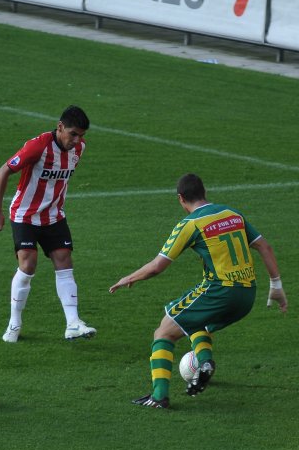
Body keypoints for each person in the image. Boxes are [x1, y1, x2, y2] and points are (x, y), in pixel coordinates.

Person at [109, 173, 288, 408]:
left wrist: (129, 277)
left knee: (164, 331)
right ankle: (204, 363)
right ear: (205, 192)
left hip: (220, 291)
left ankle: (159, 396)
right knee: (195, 321)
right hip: (247, 295)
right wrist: (276, 286)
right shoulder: (232, 214)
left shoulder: (191, 224)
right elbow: (265, 246)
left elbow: (157, 266)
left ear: (180, 198)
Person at [0, 105, 97, 343]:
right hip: (25, 214)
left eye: (81, 135)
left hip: (54, 215)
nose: (77, 140)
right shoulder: (37, 146)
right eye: (73, 134)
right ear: (60, 127)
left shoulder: (79, 149)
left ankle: (72, 323)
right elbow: (4, 170)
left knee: (64, 259)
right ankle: (14, 323)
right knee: (28, 264)